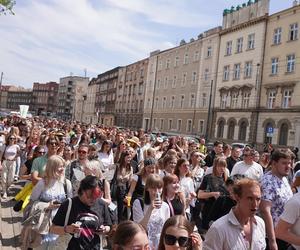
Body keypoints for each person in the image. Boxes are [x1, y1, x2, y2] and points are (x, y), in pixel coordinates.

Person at [50, 175, 110, 250]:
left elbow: (108, 226)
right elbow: (52, 229)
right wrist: (67, 229)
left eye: (95, 198)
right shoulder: (69, 204)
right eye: (89, 196)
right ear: (82, 190)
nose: (93, 200)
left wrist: (104, 229)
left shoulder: (101, 204)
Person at [203, 178, 266, 250]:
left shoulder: (260, 224)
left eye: (258, 199)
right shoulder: (218, 229)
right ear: (237, 198)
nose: (255, 204)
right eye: (250, 198)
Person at [30, 155, 72, 248]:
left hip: (59, 224)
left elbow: (70, 203)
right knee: (41, 246)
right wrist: (47, 205)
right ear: (51, 167)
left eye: (63, 166)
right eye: (59, 166)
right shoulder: (42, 183)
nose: (62, 169)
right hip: (42, 223)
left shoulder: (66, 183)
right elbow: (32, 202)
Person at [260, 149, 294, 250]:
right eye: (284, 163)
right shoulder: (268, 181)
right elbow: (265, 211)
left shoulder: (283, 178)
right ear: (274, 163)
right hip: (273, 237)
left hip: (284, 235)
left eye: (289, 163)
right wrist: (272, 241)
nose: (288, 166)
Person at [132, 174, 170, 249]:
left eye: (159, 188)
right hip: (144, 244)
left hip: (160, 244)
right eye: (153, 188)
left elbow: (166, 228)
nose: (156, 191)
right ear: (147, 188)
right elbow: (139, 228)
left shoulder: (165, 206)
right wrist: (150, 209)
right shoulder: (138, 203)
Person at [197, 157, 228, 230]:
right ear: (215, 166)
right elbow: (200, 195)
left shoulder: (227, 180)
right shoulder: (208, 178)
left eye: (224, 166)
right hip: (209, 210)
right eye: (220, 166)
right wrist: (213, 194)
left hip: (222, 212)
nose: (222, 168)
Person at [0, 134, 21, 198]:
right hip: (5, 162)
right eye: (11, 138)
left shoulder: (17, 146)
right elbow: (0, 156)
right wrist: (0, 164)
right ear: (8, 139)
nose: (12, 140)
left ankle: (6, 188)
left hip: (13, 163)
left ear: (15, 140)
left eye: (13, 138)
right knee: (4, 178)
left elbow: (19, 153)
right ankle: (4, 192)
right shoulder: (5, 146)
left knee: (11, 179)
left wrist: (15, 157)